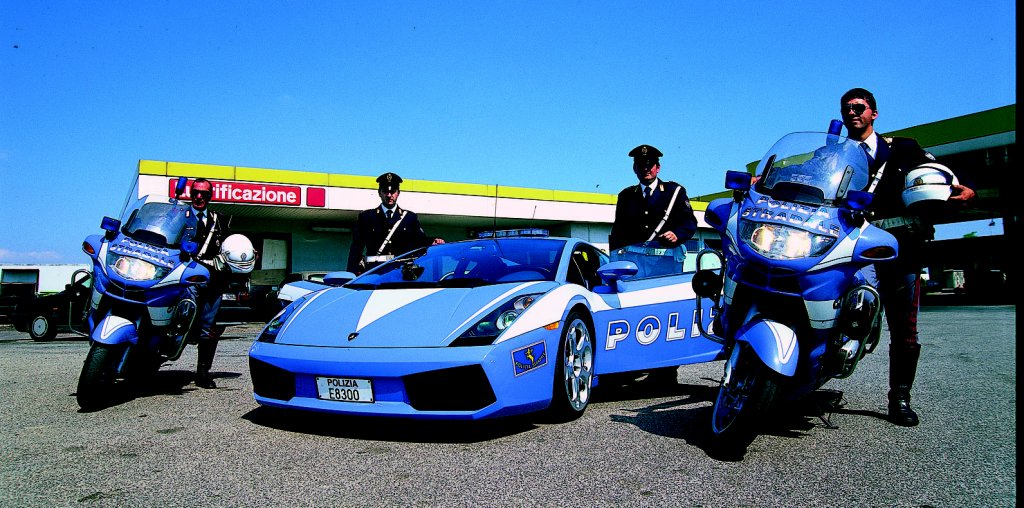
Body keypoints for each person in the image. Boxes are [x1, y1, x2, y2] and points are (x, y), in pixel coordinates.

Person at [840, 88, 975, 426]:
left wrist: (965, 187)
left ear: (874, 113)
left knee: (905, 328)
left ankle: (899, 397)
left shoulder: (902, 148)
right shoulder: (836, 153)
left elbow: (936, 171)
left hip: (901, 249)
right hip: (853, 248)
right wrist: (765, 180)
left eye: (859, 107)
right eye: (847, 109)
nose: (852, 113)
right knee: (834, 308)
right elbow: (805, 172)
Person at [608, 144, 698, 276]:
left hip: (665, 262)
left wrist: (676, 234)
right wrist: (615, 262)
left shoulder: (674, 192)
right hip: (633, 264)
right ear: (635, 169)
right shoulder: (626, 196)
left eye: (649, 165)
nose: (646, 169)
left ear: (658, 168)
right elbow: (618, 233)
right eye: (641, 165)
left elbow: (689, 223)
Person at [347, 172, 444, 274]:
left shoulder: (409, 218)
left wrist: (433, 241)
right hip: (374, 273)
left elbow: (420, 242)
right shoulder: (367, 217)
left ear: (398, 193)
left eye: (393, 191)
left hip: (400, 273)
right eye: (385, 191)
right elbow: (356, 249)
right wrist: (350, 275)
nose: (389, 195)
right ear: (379, 193)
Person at [185, 178, 232, 389]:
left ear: (210, 196)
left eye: (204, 193)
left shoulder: (219, 220)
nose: (199, 196)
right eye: (196, 192)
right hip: (181, 279)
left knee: (208, 328)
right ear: (190, 193)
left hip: (212, 281)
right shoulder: (178, 216)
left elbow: (230, 247)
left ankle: (203, 372)